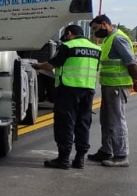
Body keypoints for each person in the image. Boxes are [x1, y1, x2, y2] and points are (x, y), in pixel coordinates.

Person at [34, 24, 100, 169]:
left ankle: (63, 159)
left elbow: (51, 65)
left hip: (68, 89)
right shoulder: (96, 48)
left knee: (65, 123)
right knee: (83, 123)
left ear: (69, 33)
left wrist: (37, 66)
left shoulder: (68, 46)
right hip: (88, 89)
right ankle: (80, 159)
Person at [88, 14, 137, 168]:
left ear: (104, 24)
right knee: (106, 120)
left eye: (96, 29)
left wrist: (136, 81)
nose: (94, 33)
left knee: (117, 121)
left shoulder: (118, 39)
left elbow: (131, 62)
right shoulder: (109, 39)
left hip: (117, 85)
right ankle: (106, 151)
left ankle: (121, 156)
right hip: (109, 85)